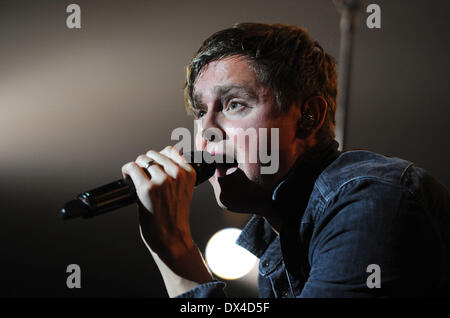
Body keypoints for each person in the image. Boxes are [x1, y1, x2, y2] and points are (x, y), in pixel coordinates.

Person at [121, 23, 450, 298]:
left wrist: (175, 248)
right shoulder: (281, 240)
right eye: (200, 111)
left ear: (309, 116)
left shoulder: (372, 201)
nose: (206, 131)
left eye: (235, 104)